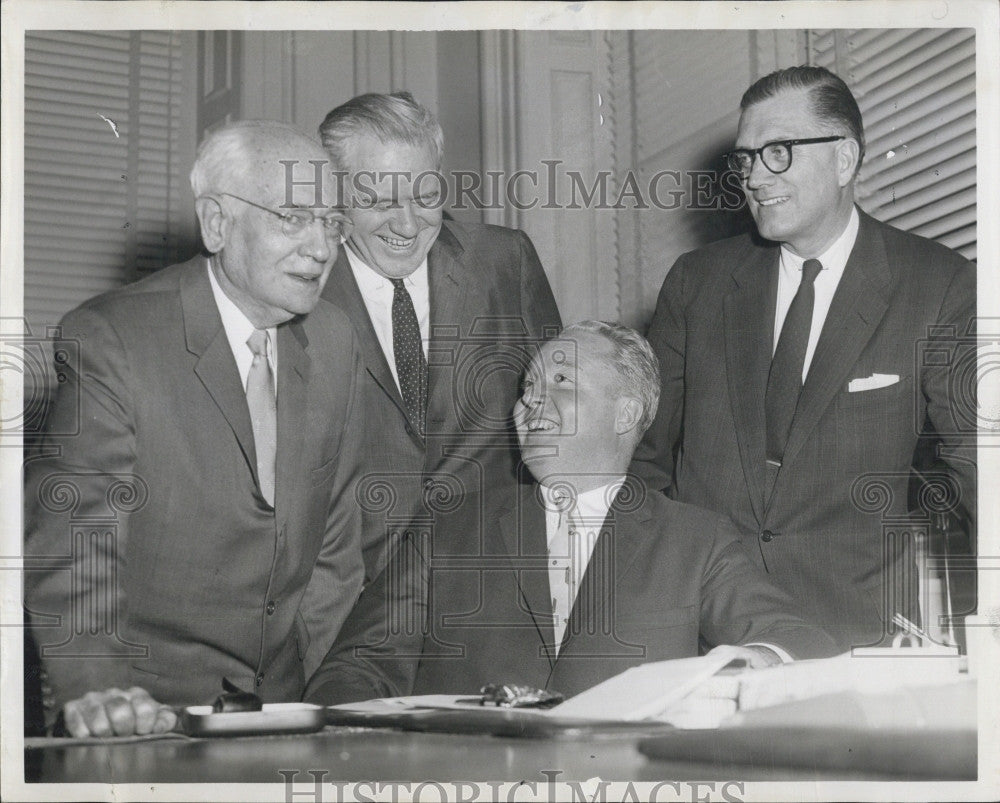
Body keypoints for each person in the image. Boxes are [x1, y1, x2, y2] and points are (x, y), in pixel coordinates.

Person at [24, 120, 366, 736]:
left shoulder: (336, 340)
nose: (321, 249)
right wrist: (98, 693)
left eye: (333, 223)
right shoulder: (114, 338)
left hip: (287, 717)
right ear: (216, 223)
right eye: (293, 216)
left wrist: (332, 708)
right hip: (146, 716)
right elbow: (78, 542)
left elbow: (333, 560)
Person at [304, 322, 836, 704]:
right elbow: (355, 669)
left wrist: (741, 671)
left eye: (560, 383)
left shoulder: (696, 541)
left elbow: (803, 645)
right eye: (527, 388)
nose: (531, 402)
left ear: (626, 413)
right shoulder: (448, 529)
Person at [631, 66, 977, 651]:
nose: (755, 178)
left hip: (853, 638)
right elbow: (645, 463)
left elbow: (979, 466)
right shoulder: (698, 283)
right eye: (746, 159)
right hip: (705, 631)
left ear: (845, 159)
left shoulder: (936, 284)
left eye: (779, 152)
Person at [316, 91, 562, 581]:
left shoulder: (502, 262)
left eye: (426, 196)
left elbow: (564, 415)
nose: (407, 224)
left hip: (501, 580)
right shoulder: (302, 288)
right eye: (379, 200)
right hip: (353, 594)